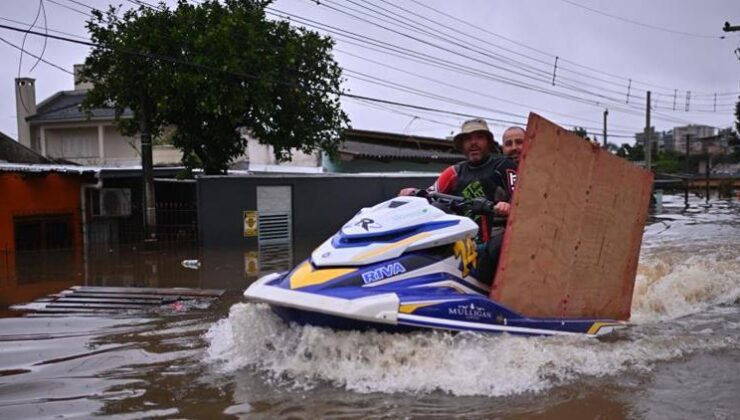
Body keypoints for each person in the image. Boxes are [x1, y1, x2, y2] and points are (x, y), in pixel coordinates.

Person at [399, 118, 517, 284]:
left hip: (496, 243)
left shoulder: (504, 165)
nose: (473, 143)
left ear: (489, 142)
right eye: (468, 139)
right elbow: (430, 195)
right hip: (462, 246)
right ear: (461, 145)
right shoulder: (454, 172)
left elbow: (522, 201)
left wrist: (509, 206)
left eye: (478, 137)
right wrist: (411, 193)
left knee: (500, 245)